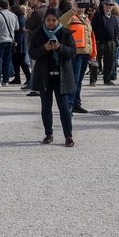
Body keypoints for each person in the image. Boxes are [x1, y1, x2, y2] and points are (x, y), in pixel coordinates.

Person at [30, 8, 77, 146]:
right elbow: (32, 54)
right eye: (48, 20)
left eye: (54, 20)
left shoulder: (66, 33)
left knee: (64, 107)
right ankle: (48, 134)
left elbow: (73, 52)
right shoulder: (38, 34)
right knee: (46, 106)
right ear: (44, 20)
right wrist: (44, 48)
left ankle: (68, 136)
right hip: (44, 76)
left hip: (61, 76)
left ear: (58, 20)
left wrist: (59, 47)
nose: (51, 23)